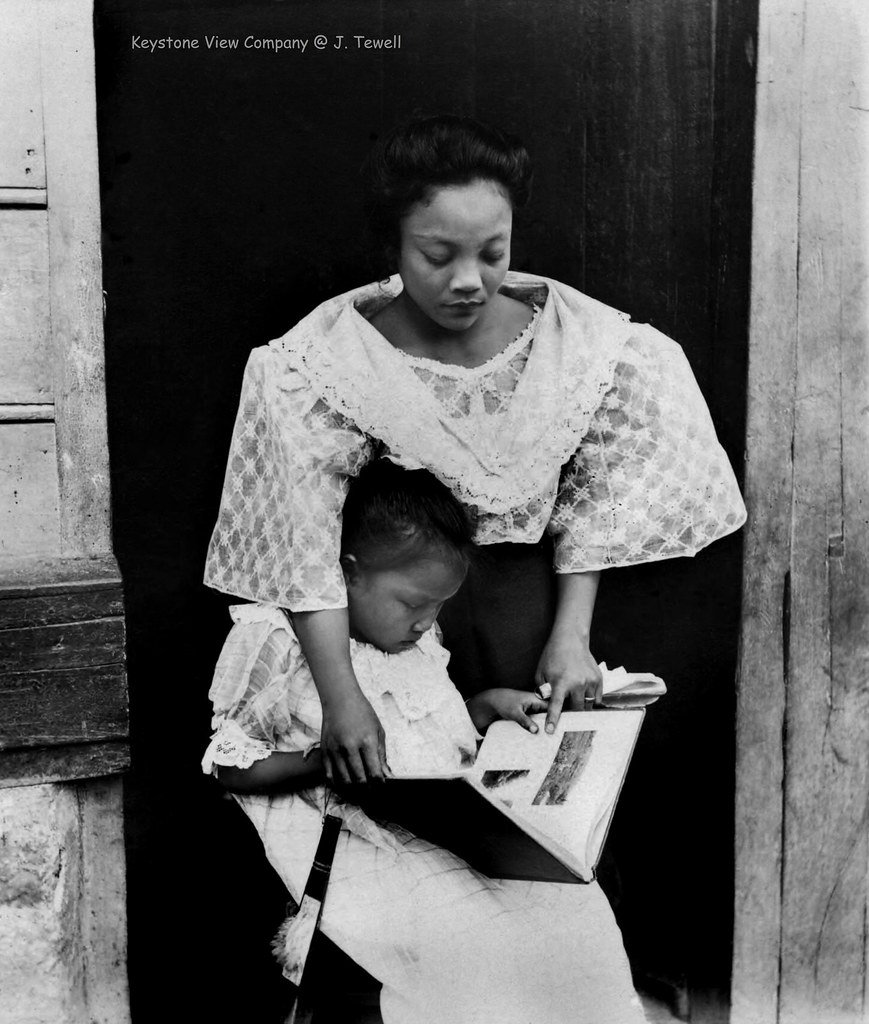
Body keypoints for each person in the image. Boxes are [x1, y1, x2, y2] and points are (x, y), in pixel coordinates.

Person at [204, 113, 746, 786]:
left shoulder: (579, 342)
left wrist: (570, 638)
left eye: (492, 252)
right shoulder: (321, 362)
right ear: (393, 247)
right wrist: (345, 698)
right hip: (388, 627)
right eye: (438, 257)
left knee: (537, 803)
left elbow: (592, 509)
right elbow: (305, 550)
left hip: (533, 615)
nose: (469, 281)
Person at [202, 461, 648, 1024]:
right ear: (348, 574)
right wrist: (323, 762)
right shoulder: (274, 636)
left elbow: (421, 727)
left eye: (438, 606)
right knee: (467, 943)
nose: (425, 622)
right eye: (413, 604)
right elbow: (231, 769)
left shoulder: (414, 642)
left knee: (573, 910)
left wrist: (487, 707)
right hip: (347, 835)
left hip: (441, 828)